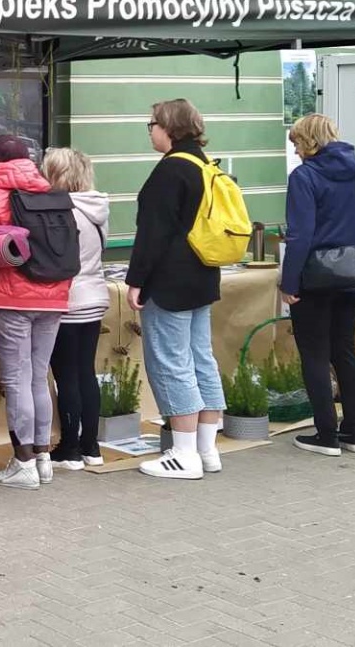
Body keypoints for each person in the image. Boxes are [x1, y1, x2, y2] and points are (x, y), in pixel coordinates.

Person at [126, 99, 225, 480]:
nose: (150, 131)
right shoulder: (205, 164)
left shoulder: (170, 170)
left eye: (152, 124)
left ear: (168, 127)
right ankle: (207, 450)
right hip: (203, 275)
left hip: (169, 282)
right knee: (201, 359)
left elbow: (153, 233)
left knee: (171, 362)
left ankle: (183, 454)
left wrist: (136, 280)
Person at [0, 134, 69, 489]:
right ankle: (43, 459)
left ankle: (23, 463)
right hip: (54, 295)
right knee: (39, 376)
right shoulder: (52, 194)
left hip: (10, 297)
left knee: (16, 379)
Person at [280, 114, 355, 458]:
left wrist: (289, 282)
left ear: (308, 141)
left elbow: (300, 234)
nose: (296, 151)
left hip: (314, 277)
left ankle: (327, 434)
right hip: (351, 272)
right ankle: (354, 432)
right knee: (345, 350)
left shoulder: (304, 176)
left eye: (297, 143)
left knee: (314, 354)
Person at [42, 147, 110, 472]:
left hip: (69, 300)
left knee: (65, 374)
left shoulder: (63, 212)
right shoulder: (96, 207)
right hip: (95, 296)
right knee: (85, 372)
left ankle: (69, 448)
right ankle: (91, 446)